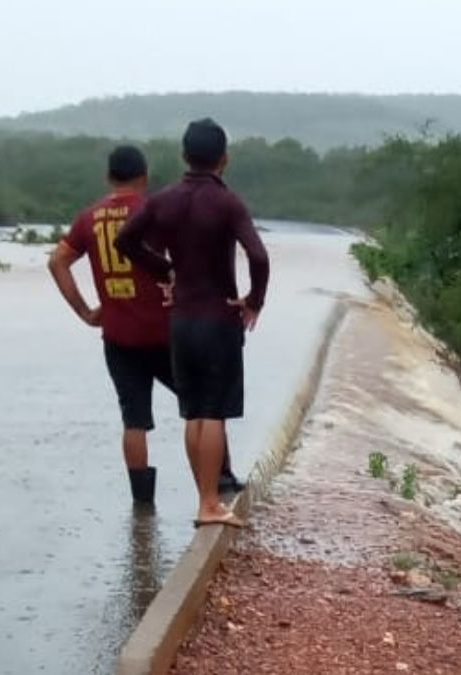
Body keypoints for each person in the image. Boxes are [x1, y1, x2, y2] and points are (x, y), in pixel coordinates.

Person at [48, 145, 243, 505]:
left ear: (108, 177)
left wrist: (86, 311)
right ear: (145, 176)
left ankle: (142, 510)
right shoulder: (152, 210)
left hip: (118, 335)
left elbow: (58, 261)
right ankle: (220, 484)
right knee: (205, 406)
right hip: (167, 330)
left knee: (134, 420)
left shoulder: (88, 218)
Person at [115, 119, 269, 527]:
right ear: (224, 160)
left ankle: (204, 500)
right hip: (219, 318)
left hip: (181, 320)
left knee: (193, 413)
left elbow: (126, 240)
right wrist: (254, 301)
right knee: (214, 412)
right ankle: (211, 504)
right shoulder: (228, 203)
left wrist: (164, 269)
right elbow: (259, 256)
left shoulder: (163, 200)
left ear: (184, 156)